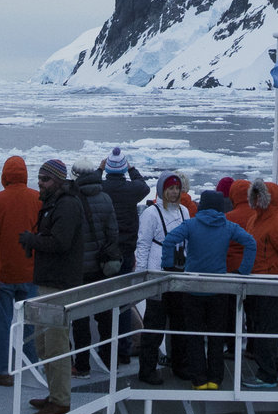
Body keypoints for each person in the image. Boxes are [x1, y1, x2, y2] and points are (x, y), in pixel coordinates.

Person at [164, 186, 258, 388]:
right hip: (219, 289)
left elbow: (169, 240)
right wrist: (243, 271)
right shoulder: (228, 226)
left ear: (202, 205)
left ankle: (199, 380)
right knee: (217, 336)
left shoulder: (191, 225)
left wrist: (168, 266)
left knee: (195, 336)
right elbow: (251, 243)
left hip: (192, 288)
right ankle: (215, 379)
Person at [22, 159, 90, 414]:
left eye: (45, 179)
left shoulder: (68, 205)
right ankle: (54, 394)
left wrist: (32, 240)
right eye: (39, 178)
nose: (40, 183)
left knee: (56, 345)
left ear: (59, 180)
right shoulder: (55, 203)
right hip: (49, 282)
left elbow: (60, 242)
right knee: (44, 344)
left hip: (60, 286)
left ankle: (60, 401)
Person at [227, 178, 278, 389]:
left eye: (258, 195)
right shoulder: (255, 220)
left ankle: (267, 375)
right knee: (261, 328)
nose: (255, 199)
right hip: (256, 283)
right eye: (253, 195)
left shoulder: (277, 222)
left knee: (266, 329)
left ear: (267, 198)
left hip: (269, 285)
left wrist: (270, 272)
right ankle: (274, 366)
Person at [0, 156, 42, 385]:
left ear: (4, 176)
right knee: (29, 322)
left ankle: (1, 371)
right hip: (31, 272)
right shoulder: (38, 199)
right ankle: (33, 366)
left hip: (5, 274)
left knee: (3, 324)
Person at [132, 173, 194, 384]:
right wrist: (141, 274)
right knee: (155, 325)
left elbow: (190, 242)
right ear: (161, 190)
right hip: (157, 275)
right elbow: (143, 244)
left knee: (180, 324)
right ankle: (147, 370)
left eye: (177, 188)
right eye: (170, 188)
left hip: (180, 275)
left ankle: (180, 365)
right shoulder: (151, 213)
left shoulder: (185, 212)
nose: (174, 192)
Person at [99, 148, 148, 374]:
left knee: (105, 303)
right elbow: (144, 186)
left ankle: (108, 352)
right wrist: (131, 168)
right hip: (127, 252)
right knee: (125, 304)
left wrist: (100, 169)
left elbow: (81, 187)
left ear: (108, 169)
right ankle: (125, 349)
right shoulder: (131, 190)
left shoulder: (101, 188)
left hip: (105, 254)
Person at [69, 162, 122, 372]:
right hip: (102, 268)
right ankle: (110, 361)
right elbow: (114, 233)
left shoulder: (72, 200)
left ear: (75, 175)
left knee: (80, 318)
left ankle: (82, 366)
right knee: (105, 316)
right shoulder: (106, 198)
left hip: (79, 269)